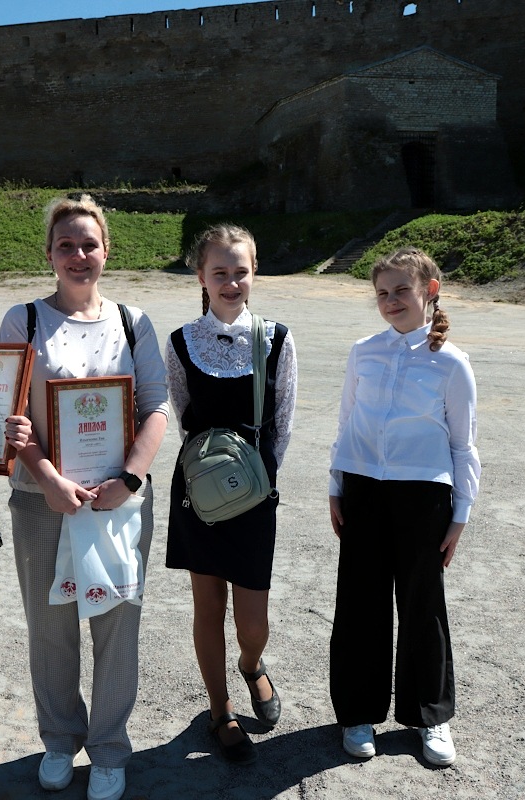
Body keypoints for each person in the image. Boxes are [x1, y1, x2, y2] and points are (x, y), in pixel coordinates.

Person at [0, 195, 169, 800]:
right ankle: (59, 739)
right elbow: (11, 416)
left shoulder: (133, 322)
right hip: (42, 498)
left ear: (106, 250)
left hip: (119, 499)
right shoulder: (23, 320)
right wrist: (48, 478)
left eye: (88, 244)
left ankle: (110, 748)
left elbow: (156, 407)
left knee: (117, 626)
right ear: (49, 253)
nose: (78, 255)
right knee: (50, 627)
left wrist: (130, 480)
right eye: (65, 244)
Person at [327, 246, 481, 768]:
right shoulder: (363, 352)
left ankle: (429, 715)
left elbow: (463, 445)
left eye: (401, 290)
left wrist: (460, 514)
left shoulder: (452, 363)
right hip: (363, 488)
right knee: (359, 602)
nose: (391, 301)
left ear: (429, 291)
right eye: (382, 293)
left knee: (422, 604)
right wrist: (336, 483)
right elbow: (347, 422)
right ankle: (358, 713)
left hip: (423, 495)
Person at [164, 223, 298, 764]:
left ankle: (250, 663)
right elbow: (183, 415)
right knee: (207, 605)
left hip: (254, 495)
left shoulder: (277, 338)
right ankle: (220, 710)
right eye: (219, 272)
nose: (231, 282)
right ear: (201, 276)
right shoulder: (180, 342)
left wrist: (255, 482)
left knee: (252, 620)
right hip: (199, 493)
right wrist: (212, 472)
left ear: (254, 272)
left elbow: (283, 421)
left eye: (240, 271)